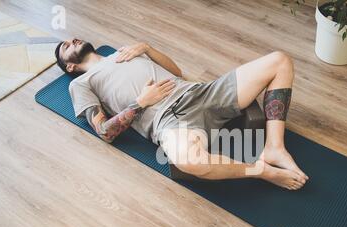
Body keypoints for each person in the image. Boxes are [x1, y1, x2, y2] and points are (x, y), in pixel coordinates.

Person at [55, 39, 308, 190]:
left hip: (199, 93)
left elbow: (177, 71)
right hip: (169, 120)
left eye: (72, 39)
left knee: (280, 60)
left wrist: (147, 47)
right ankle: (261, 171)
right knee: (190, 161)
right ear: (70, 65)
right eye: (66, 46)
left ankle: (275, 147)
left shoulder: (122, 52)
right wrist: (141, 102)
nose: (73, 41)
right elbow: (104, 132)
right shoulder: (79, 84)